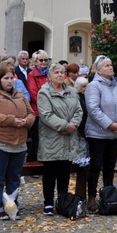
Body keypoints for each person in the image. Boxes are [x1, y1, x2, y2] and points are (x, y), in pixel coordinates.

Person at [0, 66, 35, 220]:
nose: (10, 81)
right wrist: (12, 120)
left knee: (14, 178)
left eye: (12, 78)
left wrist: (25, 121)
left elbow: (31, 113)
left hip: (19, 143)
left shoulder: (20, 95)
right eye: (6, 78)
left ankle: (12, 205)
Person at [85, 55, 117, 213]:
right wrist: (110, 125)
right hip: (97, 134)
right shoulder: (94, 86)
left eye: (111, 65)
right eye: (106, 66)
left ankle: (108, 194)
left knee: (110, 166)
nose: (110, 67)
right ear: (98, 70)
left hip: (115, 133)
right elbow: (93, 109)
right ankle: (91, 196)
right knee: (96, 166)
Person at [37, 63, 83, 216]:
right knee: (50, 173)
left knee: (65, 172)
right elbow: (46, 115)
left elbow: (78, 110)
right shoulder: (44, 93)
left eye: (62, 72)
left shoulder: (71, 91)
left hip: (69, 138)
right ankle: (48, 203)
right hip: (52, 138)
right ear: (49, 76)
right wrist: (64, 125)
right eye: (56, 72)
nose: (59, 75)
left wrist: (73, 125)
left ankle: (62, 201)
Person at [26, 49, 50, 162]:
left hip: (50, 110)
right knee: (37, 139)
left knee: (47, 138)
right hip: (38, 111)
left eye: (46, 60)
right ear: (35, 62)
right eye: (41, 60)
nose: (44, 62)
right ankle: (32, 162)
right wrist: (47, 104)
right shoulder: (32, 75)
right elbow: (34, 93)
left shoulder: (50, 74)